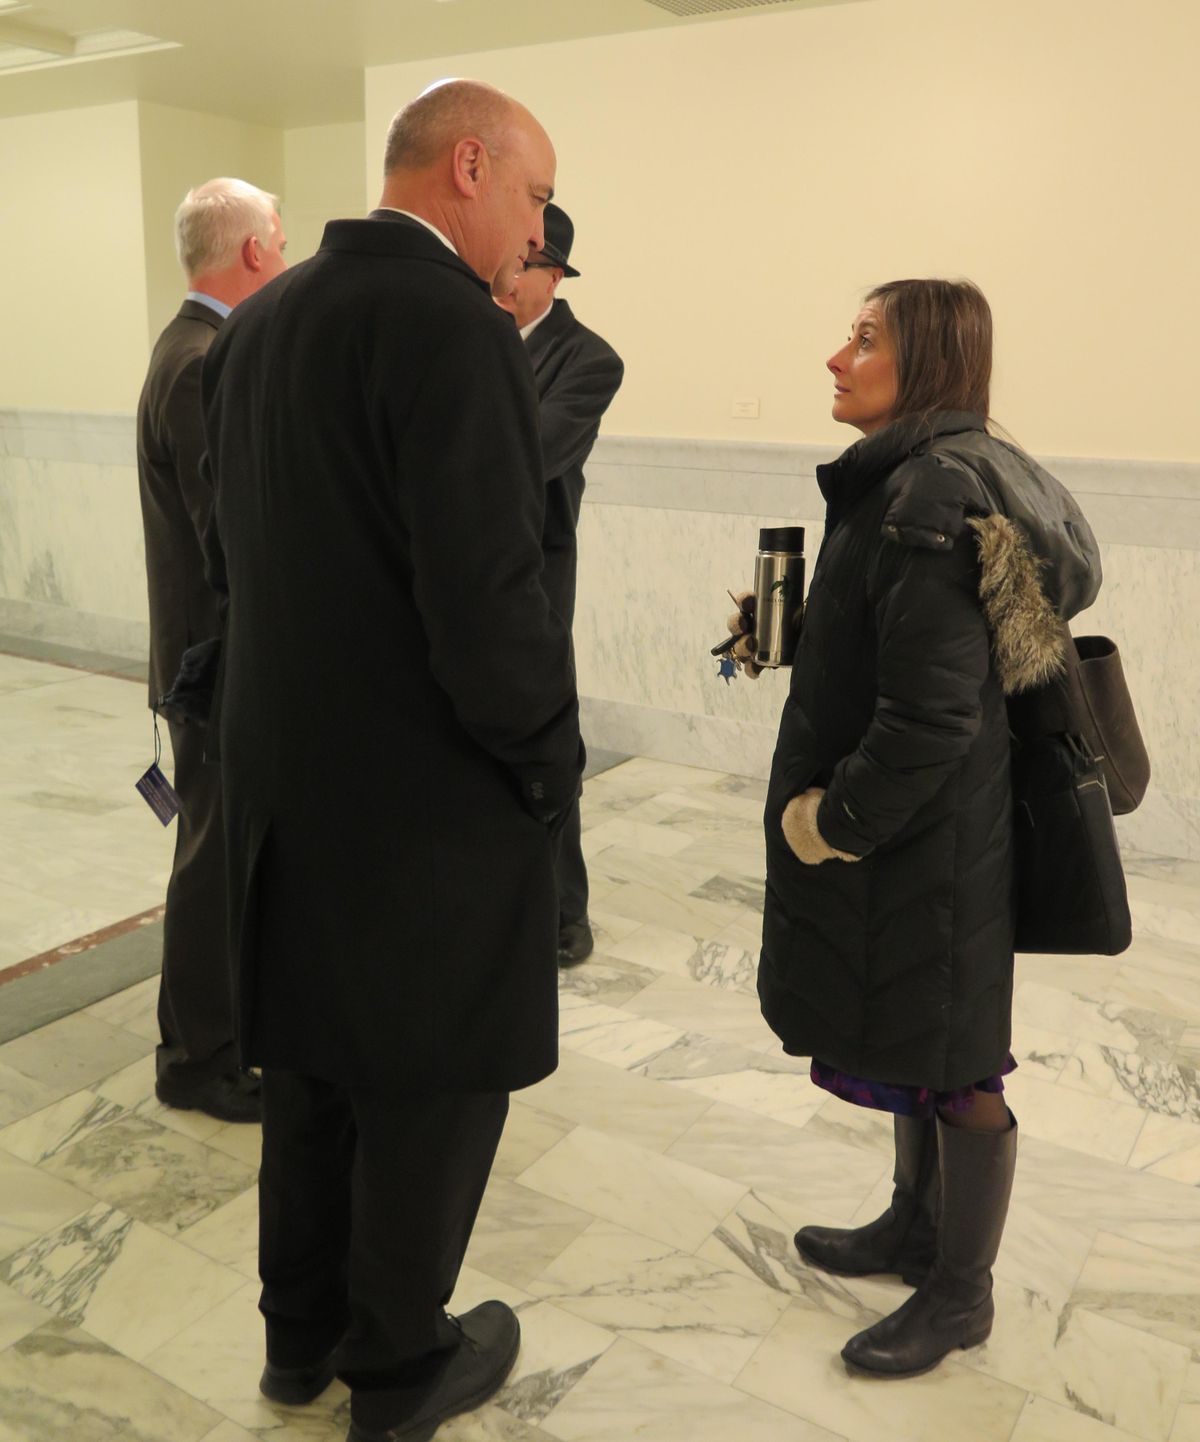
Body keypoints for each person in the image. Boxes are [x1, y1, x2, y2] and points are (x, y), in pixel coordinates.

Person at [200, 81, 582, 1442]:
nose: (535, 227)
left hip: (285, 789)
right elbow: (488, 601)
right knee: (428, 1088)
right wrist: (550, 764)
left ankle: (296, 1340)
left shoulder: (267, 319)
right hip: (422, 807)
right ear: (469, 166)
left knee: (309, 1071)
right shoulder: (448, 326)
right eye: (535, 197)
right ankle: (402, 1359)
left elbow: (234, 560)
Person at [730, 279, 1101, 1377]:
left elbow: (932, 715)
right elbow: (901, 650)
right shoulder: (914, 477)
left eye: (865, 338)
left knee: (961, 1058)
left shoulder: (930, 495)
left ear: (927, 361)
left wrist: (829, 825)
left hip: (927, 846)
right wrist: (793, 632)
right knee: (920, 1039)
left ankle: (961, 1293)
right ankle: (913, 1225)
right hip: (928, 838)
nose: (836, 356)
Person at [135, 177, 288, 1123]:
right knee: (210, 861)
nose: (287, 250)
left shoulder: (193, 347)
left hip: (211, 656)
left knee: (220, 852)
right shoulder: (199, 361)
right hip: (215, 663)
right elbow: (223, 533)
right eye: (281, 234)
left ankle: (216, 1035)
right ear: (256, 251)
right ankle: (197, 1059)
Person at [494, 203, 624, 966]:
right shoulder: (472, 337)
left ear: (553, 275)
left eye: (524, 265)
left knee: (548, 743)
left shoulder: (587, 358)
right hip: (466, 571)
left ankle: (563, 918)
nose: (508, 279)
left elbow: (530, 455)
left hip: (536, 578)